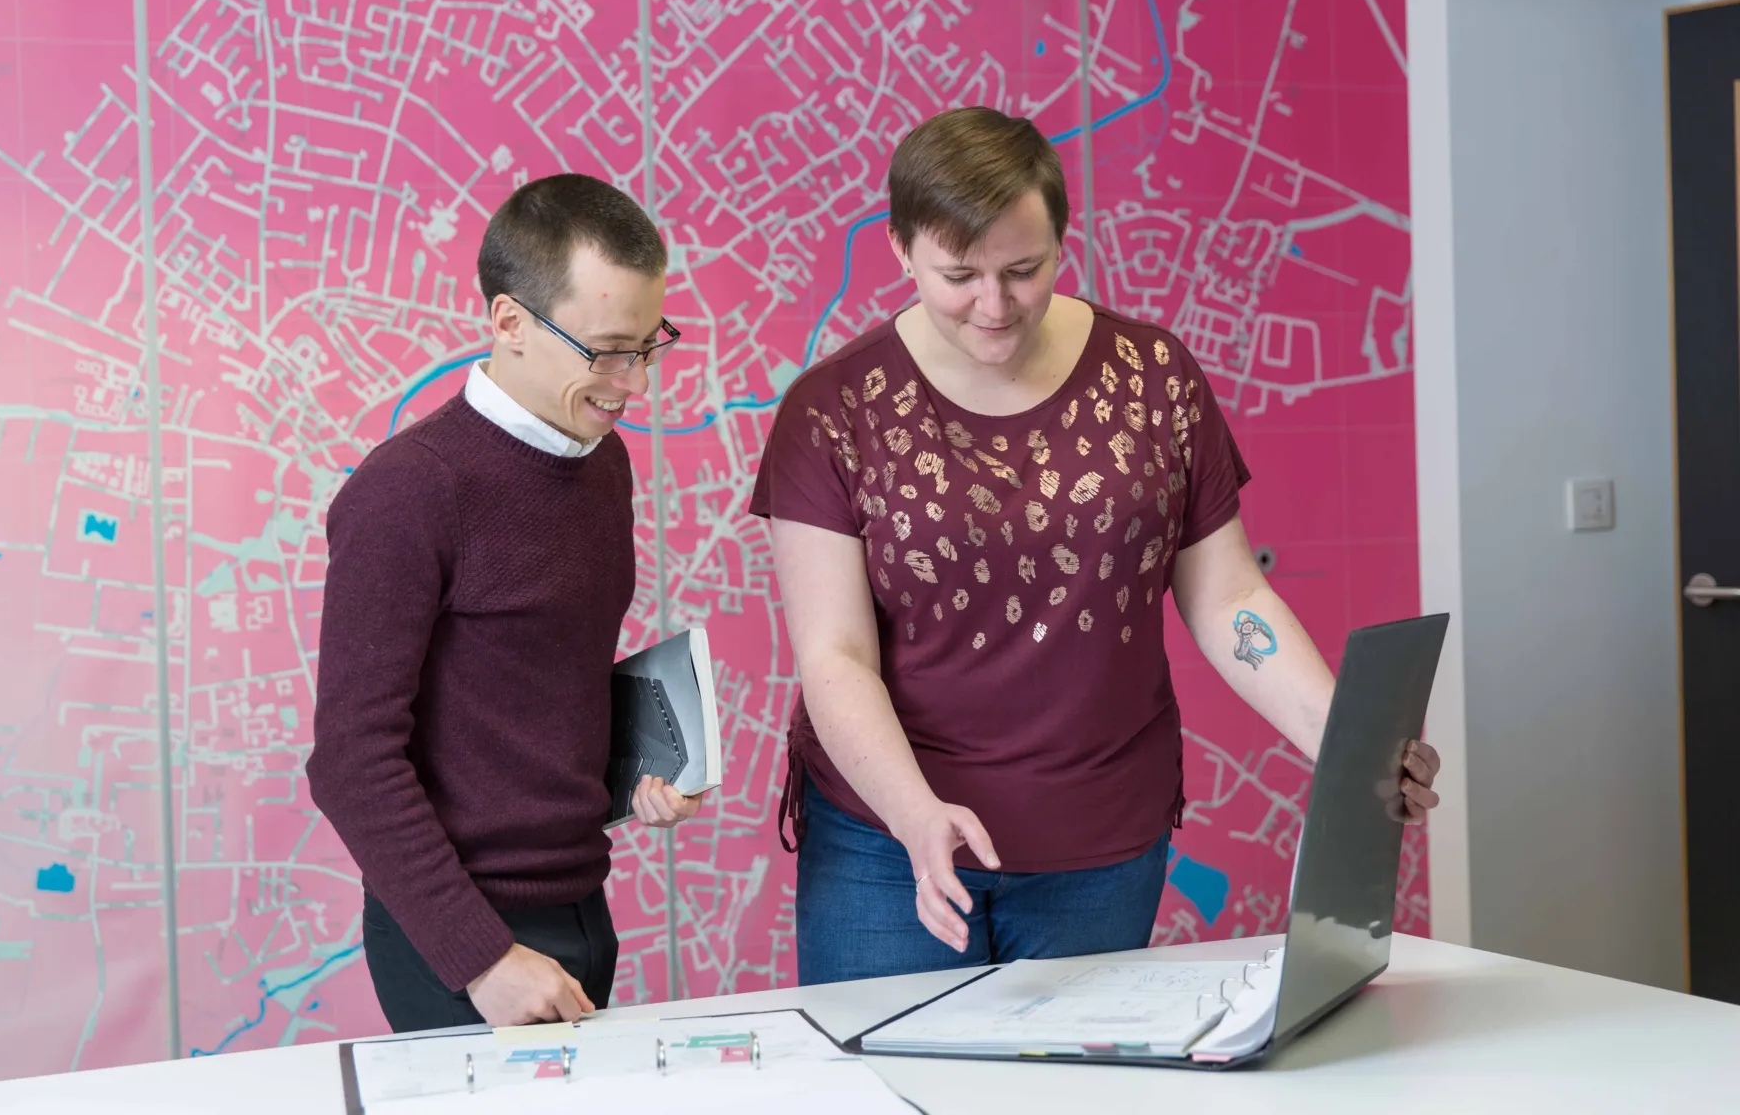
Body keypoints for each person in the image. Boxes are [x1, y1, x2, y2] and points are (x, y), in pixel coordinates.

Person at [749, 107, 1442, 984]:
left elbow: (1230, 600)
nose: (994, 307)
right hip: (889, 841)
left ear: (1062, 242)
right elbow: (836, 653)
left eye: (1023, 270)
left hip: (1102, 840)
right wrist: (916, 813)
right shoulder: (833, 409)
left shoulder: (1154, 376)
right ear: (899, 250)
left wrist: (1347, 744)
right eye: (957, 275)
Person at [308, 173, 703, 1032]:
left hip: (583, 906)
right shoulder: (407, 493)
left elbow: (535, 684)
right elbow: (349, 761)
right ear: (509, 323)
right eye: (603, 350)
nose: (630, 382)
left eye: (647, 344)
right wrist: (482, 959)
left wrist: (634, 770)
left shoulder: (601, 462)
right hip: (462, 940)